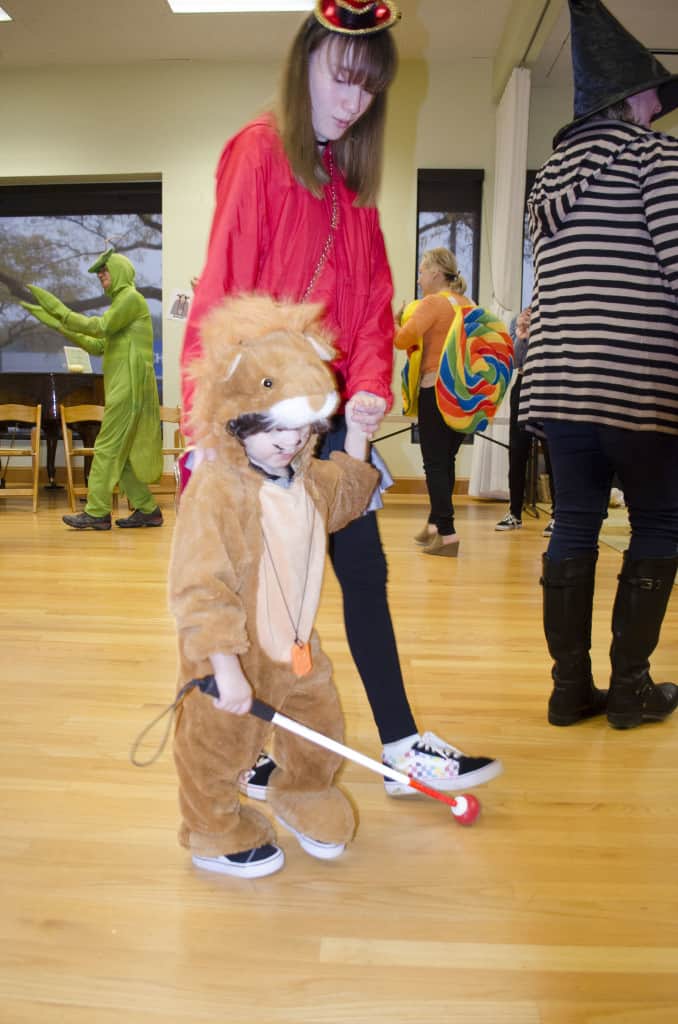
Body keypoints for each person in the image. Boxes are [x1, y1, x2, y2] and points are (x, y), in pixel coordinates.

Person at [179, 0, 503, 797]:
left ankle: (399, 747)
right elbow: (224, 290)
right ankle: (251, 751)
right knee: (258, 591)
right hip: (257, 419)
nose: (355, 100)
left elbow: (372, 307)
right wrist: (208, 432)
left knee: (362, 567)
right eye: (342, 76)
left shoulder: (353, 190)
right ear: (306, 64)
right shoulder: (256, 155)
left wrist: (364, 395)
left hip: (325, 422)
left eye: (370, 88)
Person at [170, 294, 380, 878]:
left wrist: (358, 435)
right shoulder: (218, 489)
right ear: (238, 418)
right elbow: (199, 584)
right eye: (275, 431)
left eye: (302, 429)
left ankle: (304, 791)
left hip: (296, 647)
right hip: (231, 652)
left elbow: (345, 495)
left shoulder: (301, 473)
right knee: (219, 745)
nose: (288, 444)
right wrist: (224, 665)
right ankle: (212, 829)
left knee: (321, 727)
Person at [519, 0, 678, 730]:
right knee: (659, 521)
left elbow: (551, 290)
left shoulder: (547, 181)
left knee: (574, 525)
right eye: (652, 92)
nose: (658, 105)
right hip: (639, 380)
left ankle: (568, 689)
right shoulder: (658, 160)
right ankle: (632, 687)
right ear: (628, 98)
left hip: (556, 383)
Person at [21, 249, 163, 530]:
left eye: (105, 270)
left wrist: (61, 311)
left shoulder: (131, 299)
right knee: (118, 455)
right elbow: (98, 344)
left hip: (130, 389)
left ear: (120, 271)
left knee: (107, 447)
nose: (100, 275)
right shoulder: (122, 305)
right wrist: (57, 323)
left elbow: (99, 328)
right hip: (125, 389)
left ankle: (97, 512)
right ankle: (148, 510)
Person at [393, 247, 469, 557]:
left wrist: (393, 320)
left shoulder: (432, 303)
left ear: (436, 273)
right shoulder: (467, 303)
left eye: (423, 271)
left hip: (434, 388)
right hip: (462, 393)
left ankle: (448, 535)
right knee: (446, 460)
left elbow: (402, 340)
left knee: (434, 463)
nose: (419, 277)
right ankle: (436, 525)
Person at [495, 306, 556, 537]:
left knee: (552, 451)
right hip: (522, 385)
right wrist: (521, 333)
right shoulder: (520, 318)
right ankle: (514, 512)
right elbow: (515, 360)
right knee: (517, 451)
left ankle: (557, 514)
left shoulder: (555, 317)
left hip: (547, 385)